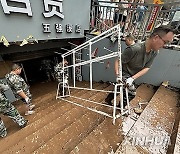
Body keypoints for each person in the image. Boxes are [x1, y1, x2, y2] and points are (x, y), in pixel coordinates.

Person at [105, 25, 175, 107]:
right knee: (131, 93)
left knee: (120, 89)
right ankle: (120, 107)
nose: (165, 46)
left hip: (132, 75)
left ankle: (108, 100)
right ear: (156, 38)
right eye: (165, 42)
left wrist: (132, 78)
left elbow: (147, 67)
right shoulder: (134, 49)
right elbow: (118, 60)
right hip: (123, 73)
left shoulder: (154, 52)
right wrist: (118, 75)